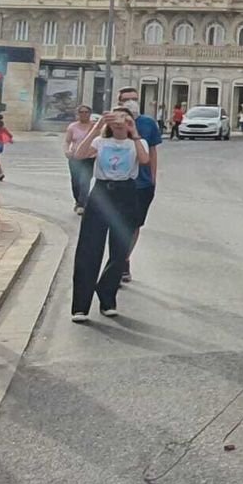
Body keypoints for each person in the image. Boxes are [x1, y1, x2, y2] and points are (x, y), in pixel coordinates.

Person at [68, 109, 149, 321]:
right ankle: (80, 305)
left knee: (120, 248)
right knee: (89, 247)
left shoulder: (136, 143)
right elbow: (79, 154)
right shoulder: (100, 142)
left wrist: (134, 131)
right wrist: (97, 126)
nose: (120, 123)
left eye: (125, 119)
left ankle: (107, 295)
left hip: (126, 193)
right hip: (102, 193)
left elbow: (144, 159)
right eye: (116, 120)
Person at [116, 87, 162, 284]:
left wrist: (152, 178)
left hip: (142, 184)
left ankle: (124, 259)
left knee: (135, 224)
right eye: (127, 100)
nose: (131, 102)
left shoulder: (148, 123)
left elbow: (152, 152)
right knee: (117, 223)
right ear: (119, 101)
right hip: (118, 182)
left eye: (134, 99)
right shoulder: (113, 123)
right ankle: (116, 261)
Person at [63, 105, 96, 213]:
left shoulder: (94, 127)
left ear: (90, 113)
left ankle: (82, 204)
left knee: (84, 180)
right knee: (75, 181)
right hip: (75, 157)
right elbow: (67, 141)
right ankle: (78, 201)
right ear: (78, 114)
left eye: (86, 112)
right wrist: (67, 150)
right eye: (81, 112)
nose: (84, 114)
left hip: (89, 157)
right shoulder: (73, 127)